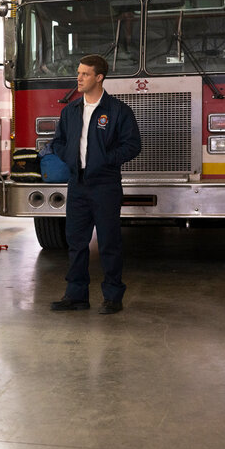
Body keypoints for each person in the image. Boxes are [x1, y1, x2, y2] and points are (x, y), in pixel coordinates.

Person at [51, 54, 141, 314]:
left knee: (108, 242)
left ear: (99, 77)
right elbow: (58, 141)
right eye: (78, 73)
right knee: (76, 242)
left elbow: (133, 145)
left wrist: (104, 160)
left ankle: (113, 296)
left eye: (85, 74)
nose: (78, 78)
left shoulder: (117, 111)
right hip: (77, 184)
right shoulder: (70, 110)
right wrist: (68, 158)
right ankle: (76, 295)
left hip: (105, 185)